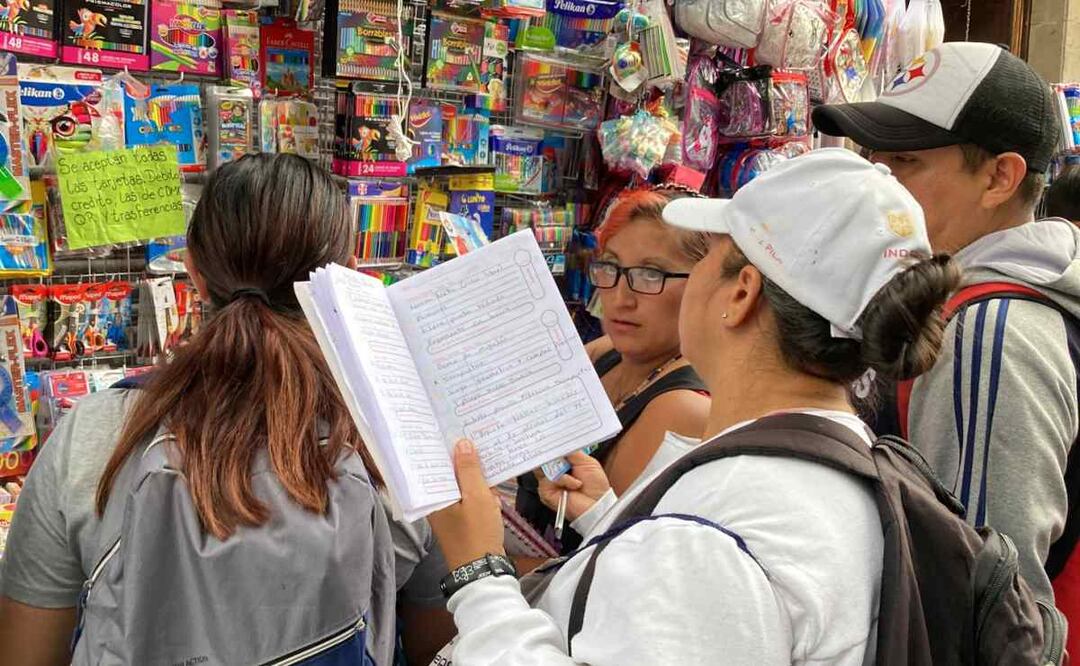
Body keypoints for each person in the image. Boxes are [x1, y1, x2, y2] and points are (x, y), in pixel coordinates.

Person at [427, 149, 960, 664]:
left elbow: (707, 569)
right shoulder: (834, 459)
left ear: (741, 293)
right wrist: (608, 518)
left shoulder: (711, 531)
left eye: (710, 259)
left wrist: (480, 575)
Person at [0, 154, 437, 665]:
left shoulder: (93, 435)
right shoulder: (402, 446)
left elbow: (25, 654)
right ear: (348, 278)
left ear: (194, 274)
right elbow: (440, 645)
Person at [813, 41, 1080, 642]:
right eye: (871, 158)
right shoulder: (967, 298)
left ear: (999, 177)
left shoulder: (990, 334)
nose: (876, 182)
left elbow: (987, 607)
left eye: (904, 162)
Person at [516, 188, 710, 553]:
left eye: (651, 274)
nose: (621, 297)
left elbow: (608, 563)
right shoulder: (608, 355)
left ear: (702, 284)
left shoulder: (683, 408)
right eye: (610, 268)